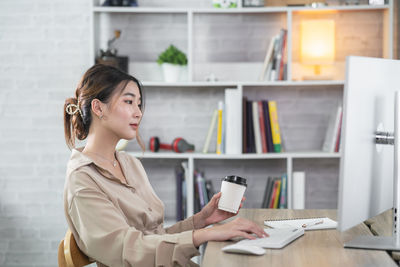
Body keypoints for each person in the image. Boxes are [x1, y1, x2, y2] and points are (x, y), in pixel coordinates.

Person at [63, 64, 267, 267]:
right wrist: (205, 234)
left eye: (139, 104)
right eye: (129, 102)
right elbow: (128, 250)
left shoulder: (129, 164)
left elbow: (155, 237)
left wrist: (202, 220)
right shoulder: (82, 181)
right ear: (98, 108)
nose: (138, 113)